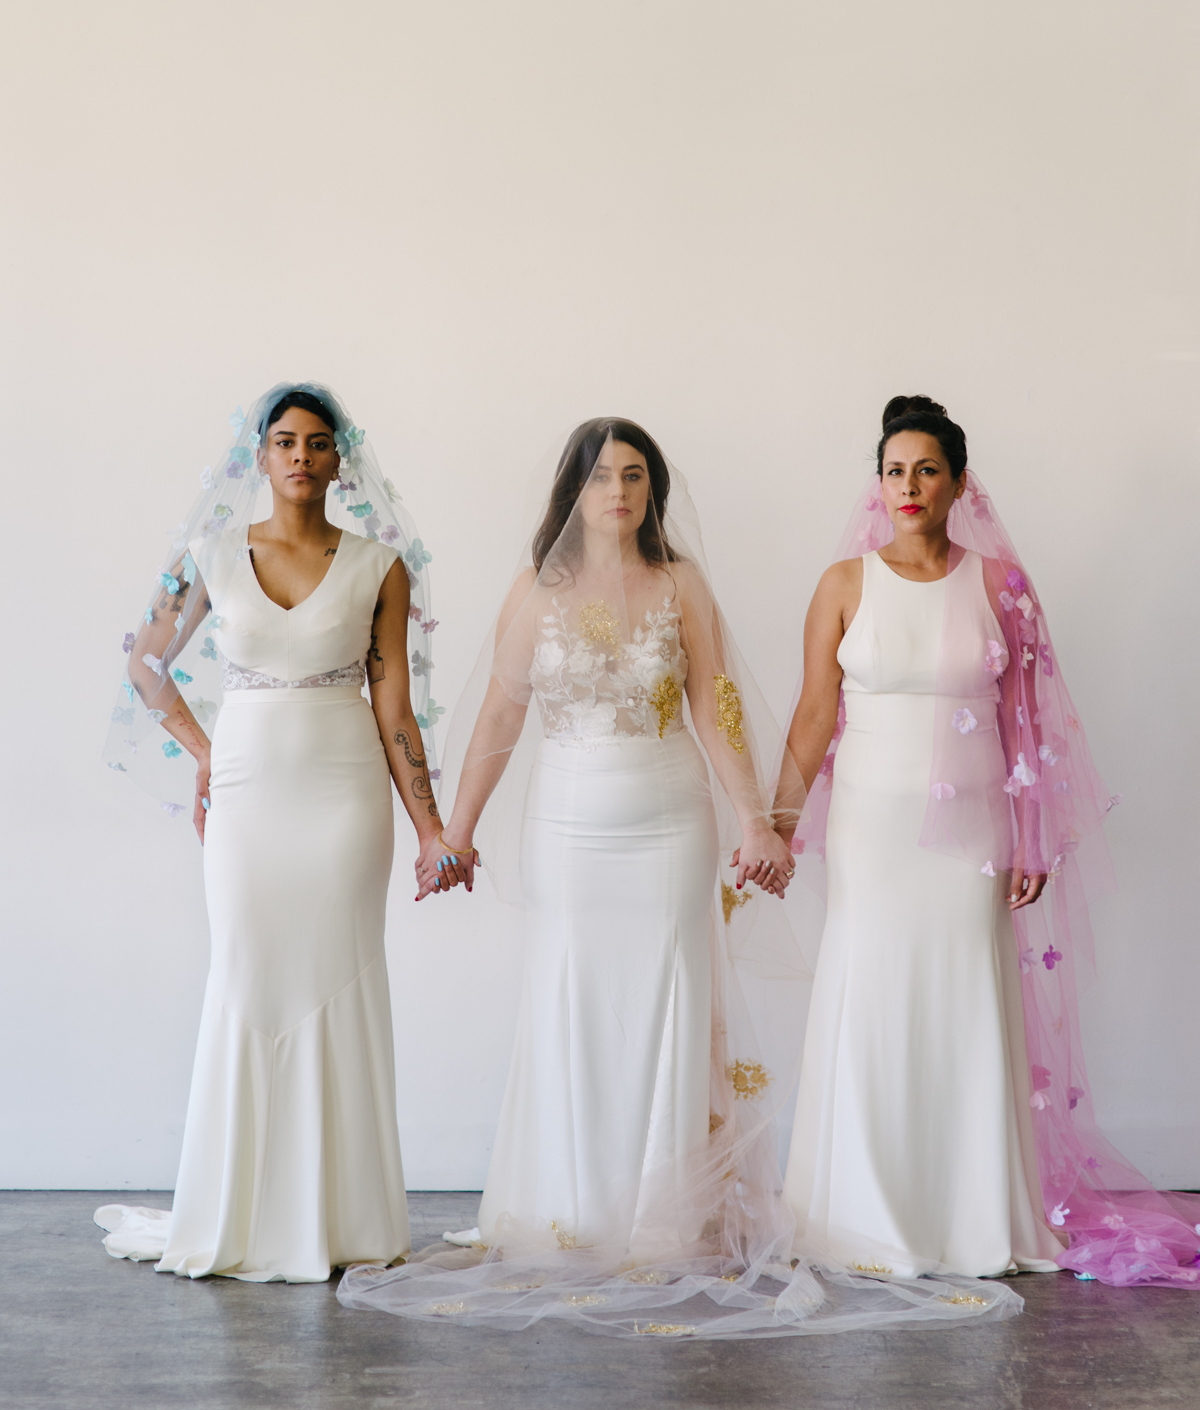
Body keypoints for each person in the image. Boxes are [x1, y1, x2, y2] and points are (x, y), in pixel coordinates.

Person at [338, 419, 1023, 1335]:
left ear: (653, 490)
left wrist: (755, 818)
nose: (617, 492)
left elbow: (716, 706)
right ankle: (570, 1207)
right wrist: (453, 832)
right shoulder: (533, 595)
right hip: (571, 832)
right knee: (572, 997)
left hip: (671, 822)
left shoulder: (681, 585)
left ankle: (668, 1218)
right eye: (599, 477)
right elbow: (500, 716)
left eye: (633, 475)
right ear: (572, 493)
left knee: (670, 1000)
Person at [779, 395, 1200, 1289]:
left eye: (927, 469)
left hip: (972, 830)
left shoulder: (1000, 585)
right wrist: (776, 821)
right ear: (879, 482)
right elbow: (815, 713)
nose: (908, 486)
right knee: (872, 992)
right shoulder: (843, 584)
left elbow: (1028, 720)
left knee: (964, 995)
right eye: (894, 470)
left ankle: (968, 1214)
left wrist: (1034, 838)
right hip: (871, 829)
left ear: (959, 482)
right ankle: (861, 1212)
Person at [96, 384, 444, 1282]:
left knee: (342, 982)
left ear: (339, 459)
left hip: (344, 795)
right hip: (248, 793)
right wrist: (204, 750)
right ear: (261, 458)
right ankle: (240, 1213)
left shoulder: (379, 567)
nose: (301, 457)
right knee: (247, 978)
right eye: (284, 442)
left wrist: (432, 829)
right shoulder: (211, 556)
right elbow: (143, 661)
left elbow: (395, 705)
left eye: (318, 443)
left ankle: (345, 1220)